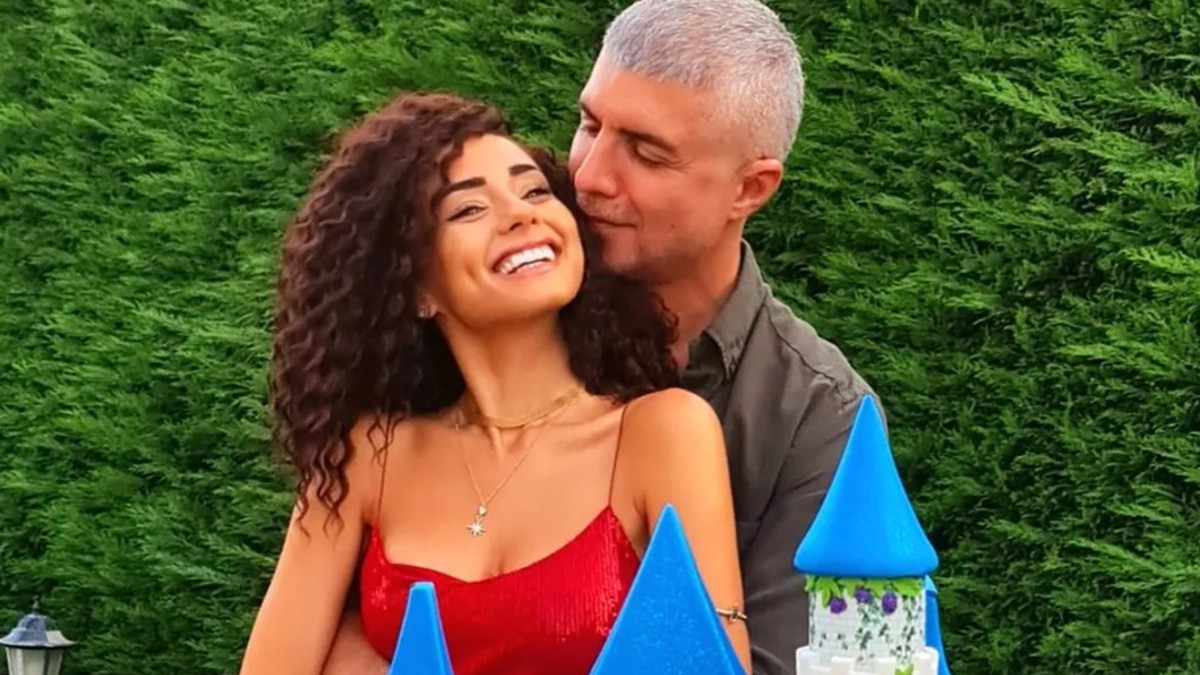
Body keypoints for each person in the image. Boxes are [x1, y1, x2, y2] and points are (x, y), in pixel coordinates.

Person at [320, 0, 882, 673]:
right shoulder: (491, 300)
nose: (587, 177)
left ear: (750, 188)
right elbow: (340, 604)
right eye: (590, 124)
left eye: (646, 153)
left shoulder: (818, 417)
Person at [238, 92, 752, 675]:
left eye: (534, 191)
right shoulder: (364, 458)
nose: (521, 214)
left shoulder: (662, 433)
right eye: (468, 210)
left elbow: (711, 663)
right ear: (414, 288)